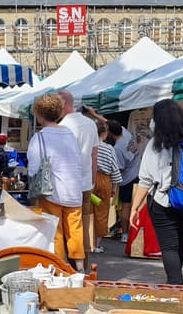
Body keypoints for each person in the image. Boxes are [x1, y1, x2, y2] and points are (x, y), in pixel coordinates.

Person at [129, 101, 183, 284]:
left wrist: (135, 208)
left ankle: (175, 284)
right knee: (178, 243)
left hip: (164, 201)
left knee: (169, 247)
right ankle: (176, 281)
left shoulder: (155, 145)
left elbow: (145, 179)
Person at [27, 94, 85, 270]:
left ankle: (60, 266)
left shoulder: (40, 137)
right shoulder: (69, 134)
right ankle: (80, 266)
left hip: (53, 191)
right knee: (75, 230)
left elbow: (33, 168)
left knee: (56, 231)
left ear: (39, 114)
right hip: (74, 189)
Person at [57, 91, 98, 261]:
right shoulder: (90, 124)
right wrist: (92, 180)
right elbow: (94, 155)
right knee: (83, 223)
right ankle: (83, 261)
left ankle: (67, 262)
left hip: (66, 184)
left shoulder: (63, 127)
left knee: (66, 226)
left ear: (64, 104)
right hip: (86, 183)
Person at [92, 119, 122, 254]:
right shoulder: (109, 148)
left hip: (89, 179)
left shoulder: (89, 146)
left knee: (87, 210)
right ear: (105, 134)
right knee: (102, 213)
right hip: (104, 180)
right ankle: (97, 244)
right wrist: (114, 188)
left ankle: (86, 241)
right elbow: (115, 169)